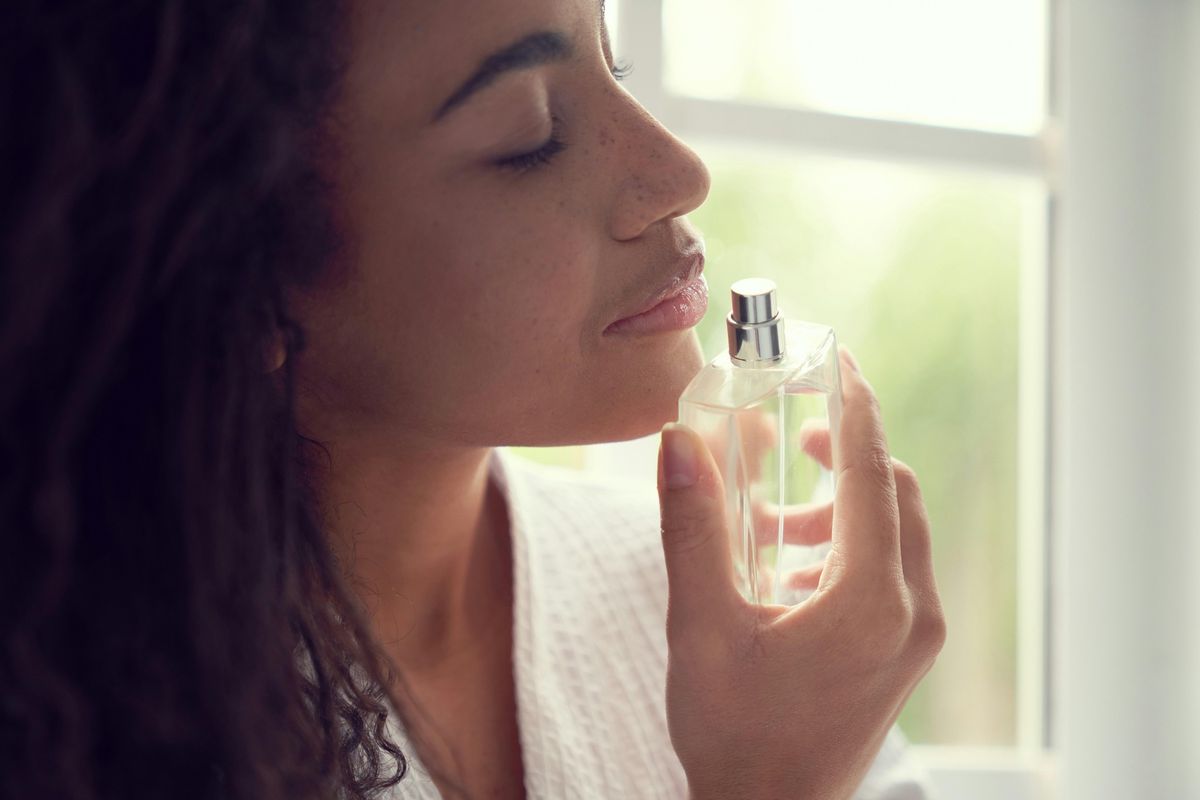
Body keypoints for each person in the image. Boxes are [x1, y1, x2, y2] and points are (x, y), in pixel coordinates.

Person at [0, 1, 946, 798]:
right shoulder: (85, 718)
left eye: (613, 67)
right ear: (241, 274)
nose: (678, 173)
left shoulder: (723, 635)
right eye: (529, 135)